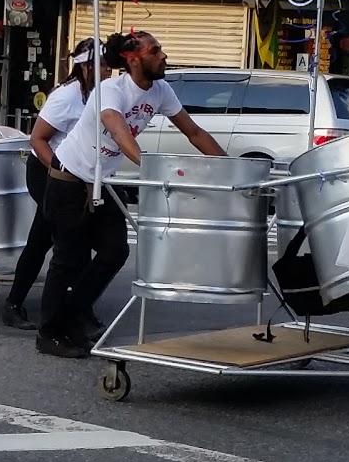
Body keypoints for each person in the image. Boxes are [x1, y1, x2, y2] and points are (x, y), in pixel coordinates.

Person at [38, 29, 225, 359]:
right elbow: (117, 127)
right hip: (69, 179)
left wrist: (230, 168)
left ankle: (74, 312)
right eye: (155, 50)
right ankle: (49, 332)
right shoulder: (111, 90)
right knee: (68, 259)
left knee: (115, 250)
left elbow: (193, 131)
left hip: (101, 181)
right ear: (133, 59)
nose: (163, 55)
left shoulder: (161, 90)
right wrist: (148, 165)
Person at [3, 40, 111, 331]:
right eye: (103, 65)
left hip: (80, 174)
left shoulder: (103, 95)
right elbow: (37, 138)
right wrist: (58, 169)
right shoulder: (67, 96)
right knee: (49, 237)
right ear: (86, 66)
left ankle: (78, 306)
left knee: (72, 237)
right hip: (48, 170)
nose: (109, 71)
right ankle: (16, 304)